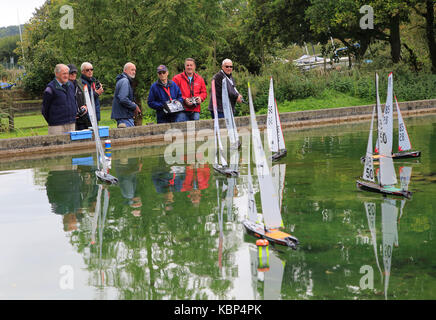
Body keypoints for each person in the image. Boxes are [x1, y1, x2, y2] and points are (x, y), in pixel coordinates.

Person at [42, 64, 77, 135]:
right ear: (56, 74)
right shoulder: (50, 89)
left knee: (72, 146)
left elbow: (74, 101)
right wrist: (54, 121)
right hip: (57, 126)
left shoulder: (71, 85)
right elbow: (45, 109)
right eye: (64, 73)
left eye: (67, 73)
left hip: (71, 124)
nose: (66, 76)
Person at [111, 62, 141, 128]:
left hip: (123, 116)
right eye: (132, 70)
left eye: (135, 70)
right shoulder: (125, 81)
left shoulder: (122, 80)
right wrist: (134, 106)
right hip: (124, 117)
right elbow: (123, 98)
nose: (134, 72)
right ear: (125, 70)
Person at [67, 64, 89, 130]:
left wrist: (85, 106)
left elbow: (86, 98)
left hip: (83, 118)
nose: (73, 74)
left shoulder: (80, 84)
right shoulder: (63, 86)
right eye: (71, 72)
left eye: (75, 72)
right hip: (70, 120)